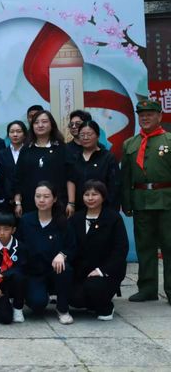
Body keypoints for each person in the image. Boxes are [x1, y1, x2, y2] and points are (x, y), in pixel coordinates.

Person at [120, 99, 171, 303]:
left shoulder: (169, 140)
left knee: (169, 246)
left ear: (159, 116)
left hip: (167, 200)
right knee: (145, 246)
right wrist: (127, 203)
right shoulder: (130, 144)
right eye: (142, 115)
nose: (145, 118)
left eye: (150, 114)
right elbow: (125, 177)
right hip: (141, 201)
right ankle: (147, 289)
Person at [17, 181, 75, 324]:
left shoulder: (62, 221)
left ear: (54, 199)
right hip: (34, 273)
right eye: (38, 196)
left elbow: (72, 246)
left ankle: (62, 309)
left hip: (55, 270)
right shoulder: (26, 221)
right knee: (37, 304)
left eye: (46, 196)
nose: (41, 200)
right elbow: (18, 247)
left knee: (65, 269)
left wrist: (62, 254)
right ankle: (40, 295)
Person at [69, 180, 128, 320]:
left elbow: (121, 248)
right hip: (83, 271)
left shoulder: (113, 218)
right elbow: (70, 245)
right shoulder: (76, 218)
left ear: (103, 196)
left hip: (107, 271)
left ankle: (106, 308)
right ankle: (92, 302)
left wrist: (102, 270)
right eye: (86, 194)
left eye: (94, 194)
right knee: (73, 298)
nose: (90, 198)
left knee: (94, 286)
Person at [13, 110, 75, 218]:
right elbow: (18, 177)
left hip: (58, 202)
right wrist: (18, 202)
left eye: (44, 121)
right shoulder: (26, 149)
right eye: (36, 122)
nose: (40, 125)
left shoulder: (62, 148)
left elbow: (70, 177)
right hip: (30, 203)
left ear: (52, 124)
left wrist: (71, 202)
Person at [67, 121, 120, 212]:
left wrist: (111, 210)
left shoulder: (108, 158)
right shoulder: (75, 158)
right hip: (79, 209)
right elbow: (71, 180)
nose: (85, 137)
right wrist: (71, 203)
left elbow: (114, 187)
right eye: (82, 135)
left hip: (103, 209)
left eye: (89, 134)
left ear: (98, 136)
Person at [0, 212, 27, 324]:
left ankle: (18, 308)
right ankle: (2, 303)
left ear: (13, 230)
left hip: (14, 284)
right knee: (6, 319)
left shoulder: (20, 247)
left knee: (19, 277)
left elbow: (21, 269)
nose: (2, 233)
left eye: (6, 229)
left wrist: (2, 275)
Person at [0, 121, 27, 210]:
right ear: (8, 135)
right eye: (12, 132)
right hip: (8, 199)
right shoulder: (1, 154)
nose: (15, 134)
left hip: (28, 196)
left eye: (18, 131)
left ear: (24, 134)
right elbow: (2, 177)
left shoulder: (30, 152)